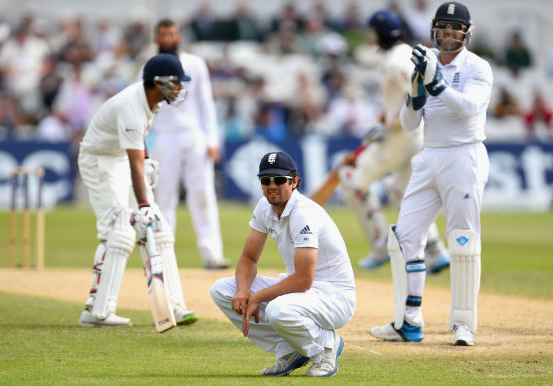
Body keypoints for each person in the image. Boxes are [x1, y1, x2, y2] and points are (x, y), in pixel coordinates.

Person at [370, 1, 492, 346]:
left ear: (466, 33)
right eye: (443, 27)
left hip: (464, 156)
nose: (448, 34)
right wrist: (416, 91)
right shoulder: (426, 63)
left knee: (462, 238)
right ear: (434, 30)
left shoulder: (478, 67)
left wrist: (436, 83)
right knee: (405, 236)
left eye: (455, 28)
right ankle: (408, 321)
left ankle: (463, 323)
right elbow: (410, 125)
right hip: (430, 156)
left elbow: (469, 109)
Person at [78, 53, 198, 327]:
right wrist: (143, 205)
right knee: (120, 229)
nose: (180, 88)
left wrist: (146, 160)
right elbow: (132, 161)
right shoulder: (131, 107)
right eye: (176, 83)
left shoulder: (152, 101)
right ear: (160, 82)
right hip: (100, 160)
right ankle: (97, 312)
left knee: (159, 230)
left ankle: (175, 306)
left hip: (121, 157)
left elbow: (137, 147)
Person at [210, 151, 356, 377]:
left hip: (334, 297)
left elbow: (303, 279)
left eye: (279, 180)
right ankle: (289, 350)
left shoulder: (303, 214)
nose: (272, 186)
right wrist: (243, 290)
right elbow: (248, 258)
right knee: (222, 290)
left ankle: (327, 345)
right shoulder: (263, 207)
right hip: (304, 294)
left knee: (279, 310)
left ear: (294, 181)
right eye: (265, 180)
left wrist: (256, 296)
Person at [337, 9, 450, 274]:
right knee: (403, 192)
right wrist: (385, 120)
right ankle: (435, 250)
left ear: (379, 34)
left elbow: (415, 93)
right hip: (413, 137)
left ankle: (379, 244)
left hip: (401, 137)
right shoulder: (404, 53)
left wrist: (389, 125)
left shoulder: (395, 60)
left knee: (352, 179)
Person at [148, 19, 230, 269]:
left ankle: (212, 254)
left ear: (178, 36)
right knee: (164, 197)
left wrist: (212, 140)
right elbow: (145, 105)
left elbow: (206, 103)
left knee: (203, 193)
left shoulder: (195, 63)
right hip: (165, 136)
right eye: (164, 35)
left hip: (194, 135)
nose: (169, 38)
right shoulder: (149, 66)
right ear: (157, 38)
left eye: (172, 34)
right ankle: (162, 256)